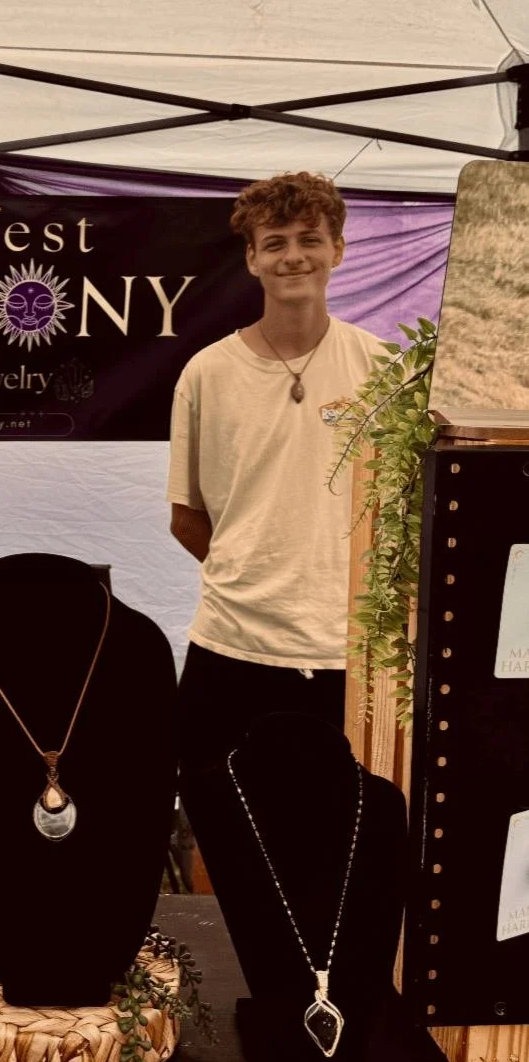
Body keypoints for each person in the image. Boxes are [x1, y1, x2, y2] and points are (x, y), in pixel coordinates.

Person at [167, 171, 381, 771]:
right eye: (276, 241)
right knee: (228, 835)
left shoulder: (385, 370)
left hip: (352, 655)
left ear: (337, 250)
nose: (294, 256)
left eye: (310, 239)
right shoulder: (206, 374)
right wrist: (257, 578)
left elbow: (403, 514)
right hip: (232, 645)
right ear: (252, 258)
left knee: (348, 844)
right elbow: (186, 519)